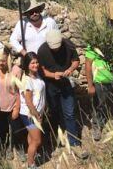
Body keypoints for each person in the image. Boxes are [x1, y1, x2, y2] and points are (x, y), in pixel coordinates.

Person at [37, 30, 88, 160]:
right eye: (53, 47)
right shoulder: (42, 50)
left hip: (65, 84)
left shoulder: (69, 45)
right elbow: (41, 70)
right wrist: (53, 75)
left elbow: (75, 61)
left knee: (69, 113)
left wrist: (70, 70)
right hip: (51, 86)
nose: (55, 49)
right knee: (53, 113)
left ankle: (74, 143)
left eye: (58, 46)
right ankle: (56, 142)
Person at [18, 52, 46, 169]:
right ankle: (30, 165)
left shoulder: (36, 75)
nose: (36, 65)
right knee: (37, 140)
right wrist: (36, 115)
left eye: (37, 62)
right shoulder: (27, 80)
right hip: (30, 115)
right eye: (32, 63)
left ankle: (31, 155)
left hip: (36, 113)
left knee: (31, 138)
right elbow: (28, 101)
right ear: (27, 65)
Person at [0, 50, 20, 157]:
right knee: (2, 130)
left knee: (17, 129)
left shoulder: (16, 70)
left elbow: (19, 90)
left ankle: (19, 147)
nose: (0, 63)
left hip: (13, 105)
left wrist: (17, 107)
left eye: (3, 61)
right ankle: (5, 148)